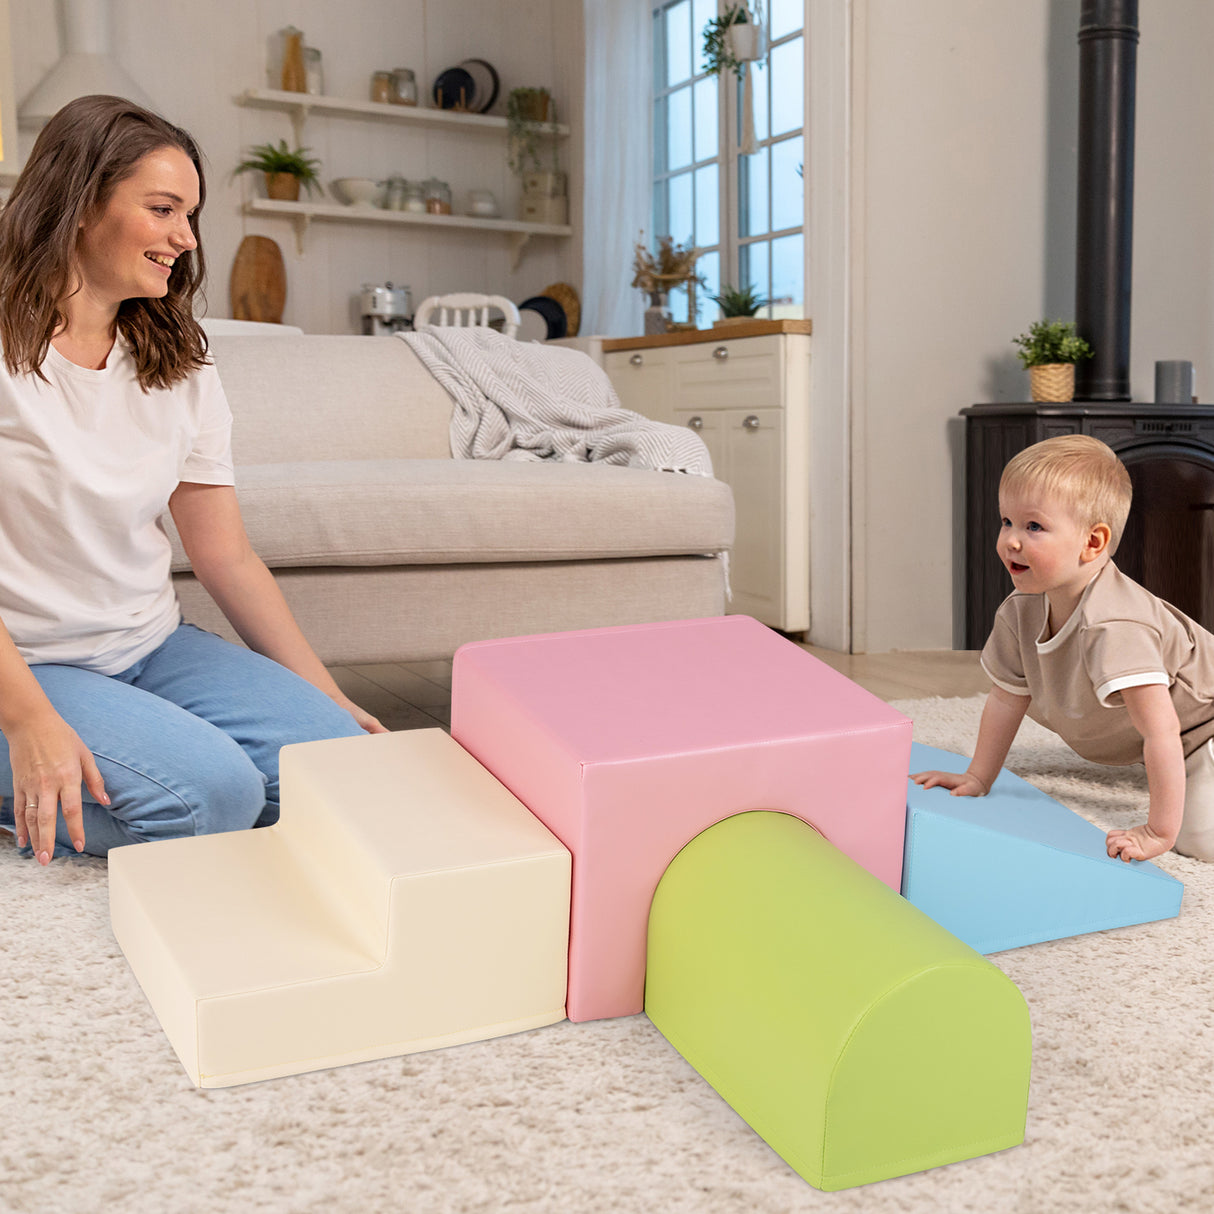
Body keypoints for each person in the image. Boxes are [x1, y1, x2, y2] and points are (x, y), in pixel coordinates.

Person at [0, 95, 385, 868]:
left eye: (191, 214)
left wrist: (325, 696)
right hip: (26, 663)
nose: (186, 237)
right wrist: (32, 721)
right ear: (78, 204)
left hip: (148, 643)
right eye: (163, 209)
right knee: (213, 800)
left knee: (339, 770)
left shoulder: (178, 356)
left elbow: (226, 556)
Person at [912, 433, 1214, 864]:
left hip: (1201, 727)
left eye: (1033, 526)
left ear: (1092, 543)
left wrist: (1157, 831)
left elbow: (1161, 730)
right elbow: (1005, 697)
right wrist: (978, 776)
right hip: (1159, 735)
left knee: (1202, 843)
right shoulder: (1021, 611)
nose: (1011, 540)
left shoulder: (1116, 626)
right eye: (1006, 522)